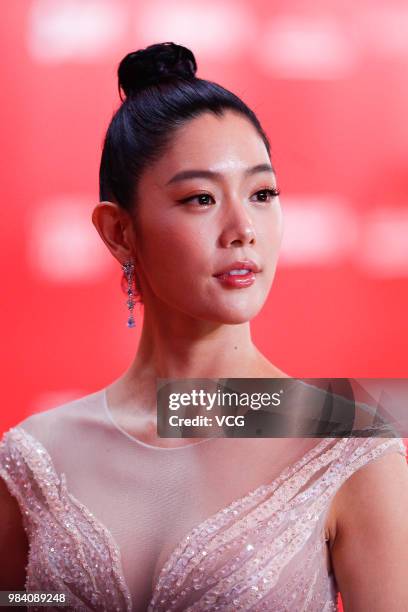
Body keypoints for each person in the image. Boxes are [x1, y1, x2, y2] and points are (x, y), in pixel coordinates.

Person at [1, 41, 407, 612]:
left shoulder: (347, 448)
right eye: (200, 198)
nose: (243, 227)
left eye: (262, 193)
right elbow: (19, 601)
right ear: (119, 232)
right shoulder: (34, 460)